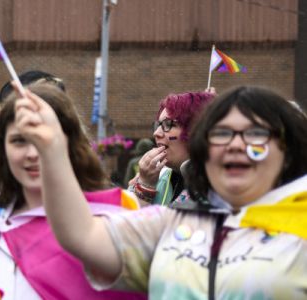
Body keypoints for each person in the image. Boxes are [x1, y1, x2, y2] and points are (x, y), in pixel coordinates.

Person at [33, 86, 307, 298]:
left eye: (256, 134)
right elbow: (81, 235)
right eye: (221, 134)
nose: (235, 145)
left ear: (288, 150)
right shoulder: (173, 223)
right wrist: (52, 150)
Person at [0, 83, 144, 299]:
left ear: (71, 141)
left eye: (44, 137)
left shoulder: (118, 212)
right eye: (19, 140)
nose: (33, 152)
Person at [128, 91, 214, 205]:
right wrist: (144, 185)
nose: (156, 133)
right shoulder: (159, 177)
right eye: (158, 125)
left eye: (169, 124)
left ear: (197, 130)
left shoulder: (219, 184)